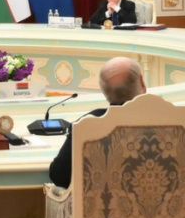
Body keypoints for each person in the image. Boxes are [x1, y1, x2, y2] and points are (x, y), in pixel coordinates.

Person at [48, 57, 146, 189]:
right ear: (142, 83)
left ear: (104, 90)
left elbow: (60, 176)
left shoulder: (87, 125)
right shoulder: (167, 121)